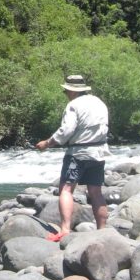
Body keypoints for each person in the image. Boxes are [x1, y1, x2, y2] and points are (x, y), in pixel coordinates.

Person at [36, 74, 109, 241]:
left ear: (72, 91)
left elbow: (66, 131)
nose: (65, 93)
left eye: (66, 91)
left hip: (78, 153)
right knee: (96, 192)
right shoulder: (99, 102)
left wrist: (47, 143)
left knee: (66, 190)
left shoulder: (73, 105)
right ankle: (103, 231)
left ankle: (65, 230)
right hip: (98, 152)